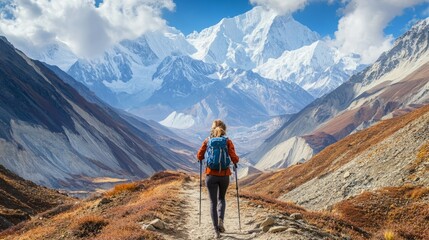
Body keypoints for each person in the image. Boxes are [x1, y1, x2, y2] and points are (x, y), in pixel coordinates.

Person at [197, 119, 239, 238]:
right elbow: (234, 158)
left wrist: (203, 158)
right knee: (221, 199)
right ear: (224, 129)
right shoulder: (227, 141)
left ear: (212, 129)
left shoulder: (208, 141)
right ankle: (221, 220)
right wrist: (235, 161)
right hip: (224, 175)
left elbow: (199, 155)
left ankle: (216, 231)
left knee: (212, 202)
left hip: (211, 175)